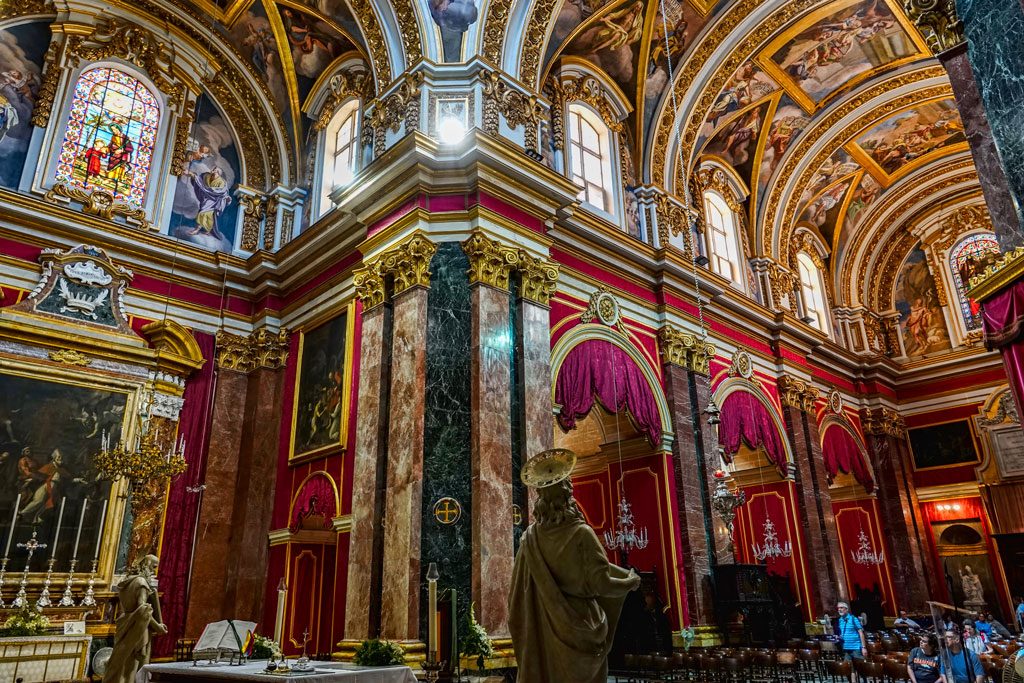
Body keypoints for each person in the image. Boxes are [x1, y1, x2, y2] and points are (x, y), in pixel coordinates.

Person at [509, 449, 641, 683]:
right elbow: (602, 584)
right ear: (568, 494)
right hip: (582, 626)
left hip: (543, 634)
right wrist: (630, 582)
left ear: (541, 497)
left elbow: (516, 598)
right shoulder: (582, 534)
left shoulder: (530, 539)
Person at [102, 555, 167, 683]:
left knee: (121, 660)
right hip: (138, 628)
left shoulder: (127, 582)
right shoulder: (141, 583)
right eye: (153, 567)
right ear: (146, 564)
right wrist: (157, 627)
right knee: (133, 665)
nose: (154, 571)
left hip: (125, 622)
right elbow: (143, 610)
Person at [836, 602, 867, 682]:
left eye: (841, 608)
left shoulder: (853, 619)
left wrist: (863, 647)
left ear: (846, 609)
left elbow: (861, 633)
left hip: (856, 648)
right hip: (846, 648)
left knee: (861, 670)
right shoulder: (840, 620)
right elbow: (843, 632)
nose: (839, 609)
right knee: (849, 669)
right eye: (838, 608)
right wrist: (840, 637)